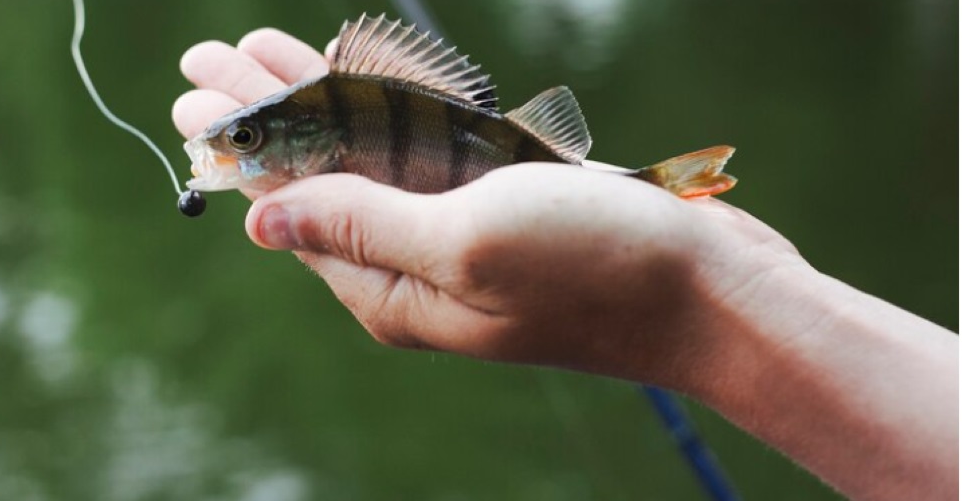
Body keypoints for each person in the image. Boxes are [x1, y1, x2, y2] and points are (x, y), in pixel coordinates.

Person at [172, 27, 959, 501]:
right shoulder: (316, 118)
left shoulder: (328, 139)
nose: (232, 148)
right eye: (241, 140)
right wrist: (729, 287)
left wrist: (704, 289)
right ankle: (665, 198)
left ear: (309, 140)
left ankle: (660, 195)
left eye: (245, 139)